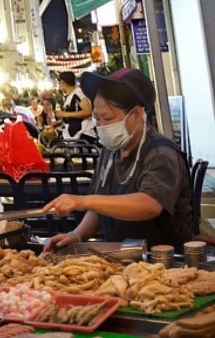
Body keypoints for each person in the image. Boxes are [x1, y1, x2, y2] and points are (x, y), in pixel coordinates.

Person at [43, 68, 193, 252]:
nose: (102, 126)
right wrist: (76, 235)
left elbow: (150, 204)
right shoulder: (110, 150)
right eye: (97, 118)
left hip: (164, 261)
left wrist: (83, 201)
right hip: (119, 255)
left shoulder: (161, 153)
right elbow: (101, 207)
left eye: (108, 118)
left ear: (137, 114)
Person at [52, 71, 97, 143]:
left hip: (83, 135)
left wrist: (65, 114)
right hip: (74, 136)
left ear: (63, 82)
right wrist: (60, 122)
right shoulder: (70, 96)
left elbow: (88, 111)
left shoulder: (78, 93)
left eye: (59, 82)